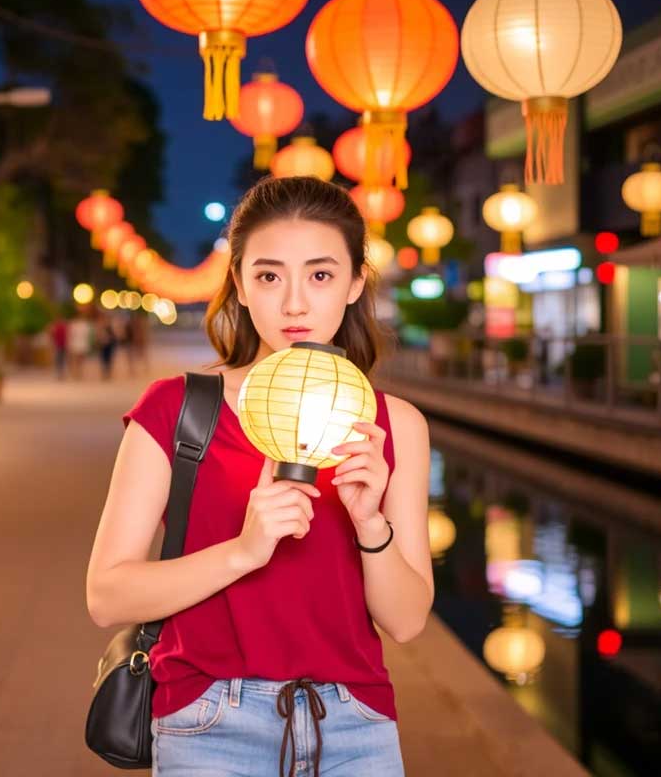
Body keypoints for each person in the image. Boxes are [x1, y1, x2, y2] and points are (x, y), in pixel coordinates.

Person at [86, 177, 432, 776]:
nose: (295, 303)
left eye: (320, 276)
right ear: (241, 286)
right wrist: (244, 551)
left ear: (354, 284)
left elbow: (405, 621)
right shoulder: (178, 410)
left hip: (354, 724)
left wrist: (370, 521)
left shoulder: (393, 425)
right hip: (209, 723)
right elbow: (106, 595)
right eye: (270, 276)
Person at [67, 307, 93, 381]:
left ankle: (78, 371)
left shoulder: (84, 325)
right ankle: (76, 372)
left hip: (80, 343)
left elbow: (87, 335)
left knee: (79, 359)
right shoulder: (75, 324)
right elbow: (71, 334)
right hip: (76, 343)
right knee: (76, 359)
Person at [50, 314, 69, 381]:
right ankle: (60, 373)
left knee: (60, 359)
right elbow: (52, 335)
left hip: (61, 345)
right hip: (59, 345)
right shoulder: (58, 327)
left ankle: (61, 373)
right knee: (59, 359)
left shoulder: (61, 327)